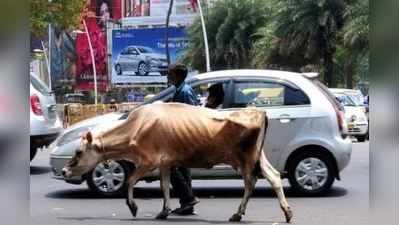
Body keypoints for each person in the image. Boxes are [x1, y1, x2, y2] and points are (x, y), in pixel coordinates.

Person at [167, 63, 200, 215]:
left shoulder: (185, 92)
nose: (169, 76)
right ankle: (187, 204)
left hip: (183, 136)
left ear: (179, 76)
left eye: (171, 74)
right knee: (183, 169)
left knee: (172, 168)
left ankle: (188, 198)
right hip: (180, 135)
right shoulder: (179, 90)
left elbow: (191, 115)